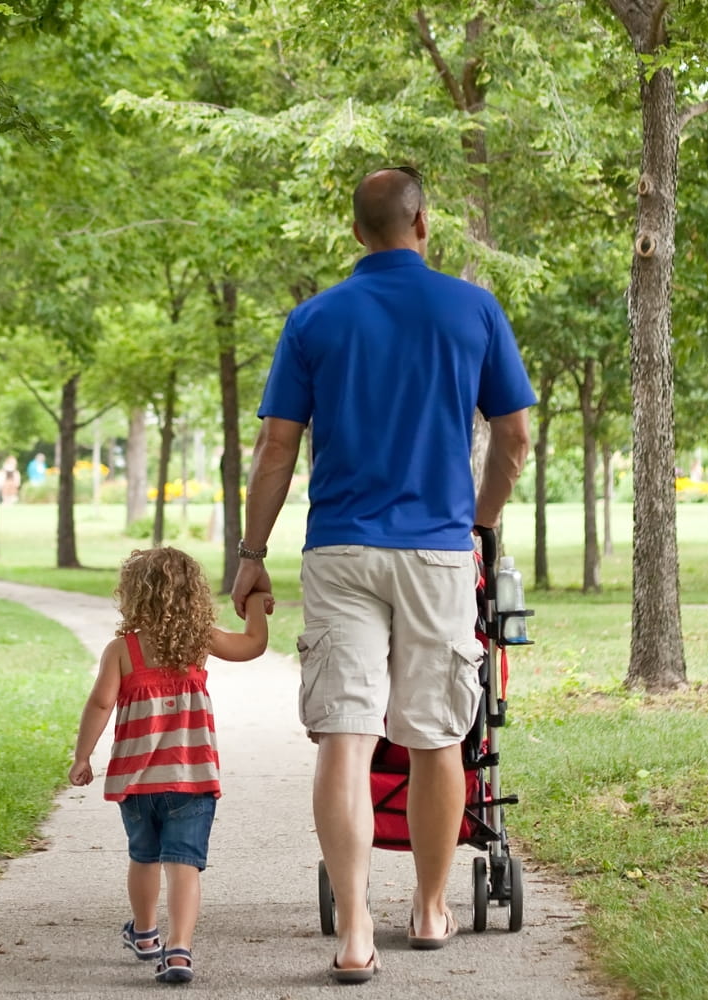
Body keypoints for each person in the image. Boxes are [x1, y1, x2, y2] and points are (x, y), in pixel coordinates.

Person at [231, 165, 536, 983]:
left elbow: (276, 451)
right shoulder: (473, 309)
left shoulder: (314, 320)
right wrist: (481, 520)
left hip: (340, 549)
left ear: (357, 232)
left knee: (345, 735)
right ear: (423, 224)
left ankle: (356, 929)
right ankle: (432, 908)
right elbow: (513, 439)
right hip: (438, 548)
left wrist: (251, 554)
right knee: (438, 734)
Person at [70, 547, 273, 984]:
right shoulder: (199, 640)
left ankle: (145, 934)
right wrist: (256, 603)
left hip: (137, 782)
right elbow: (254, 645)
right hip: (191, 779)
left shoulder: (122, 650)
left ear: (133, 596)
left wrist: (82, 756)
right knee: (184, 864)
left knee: (143, 857)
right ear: (194, 595)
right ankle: (178, 950)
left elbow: (101, 702)